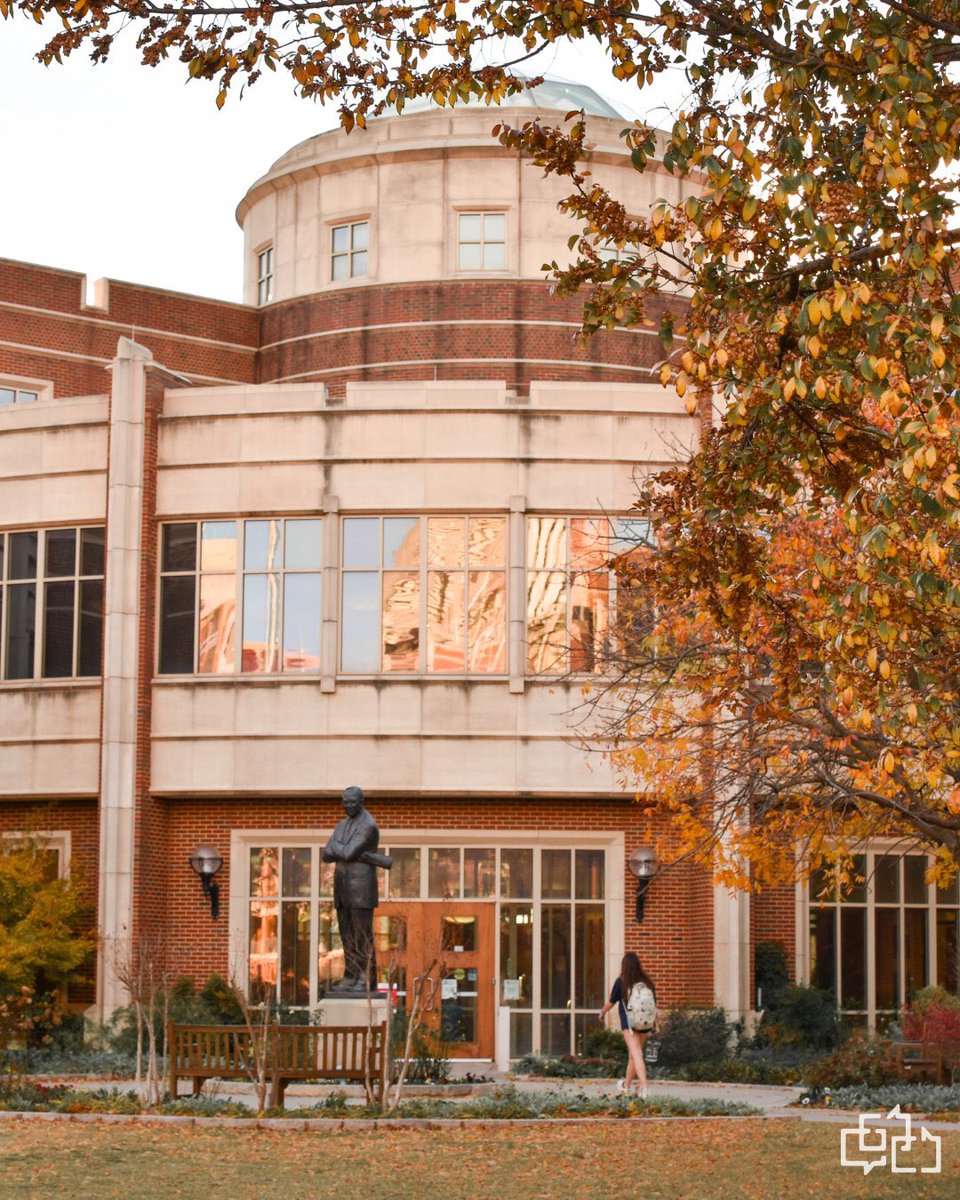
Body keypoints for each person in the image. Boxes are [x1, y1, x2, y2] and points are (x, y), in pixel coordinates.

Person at [322, 786, 392, 994]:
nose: (348, 805)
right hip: (342, 889)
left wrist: (339, 849)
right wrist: (340, 850)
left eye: (352, 802)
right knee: (346, 935)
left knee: (362, 936)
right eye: (345, 801)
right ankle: (351, 975)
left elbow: (349, 851)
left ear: (361, 801)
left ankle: (365, 978)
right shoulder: (341, 826)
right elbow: (326, 854)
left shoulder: (368, 825)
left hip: (361, 889)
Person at [598, 951, 657, 1098]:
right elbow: (653, 1005)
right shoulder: (647, 982)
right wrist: (654, 1025)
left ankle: (644, 1088)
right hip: (645, 1023)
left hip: (629, 1024)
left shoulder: (622, 981)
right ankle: (626, 1085)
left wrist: (602, 1013)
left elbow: (611, 1002)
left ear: (624, 965)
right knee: (633, 1055)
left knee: (636, 1053)